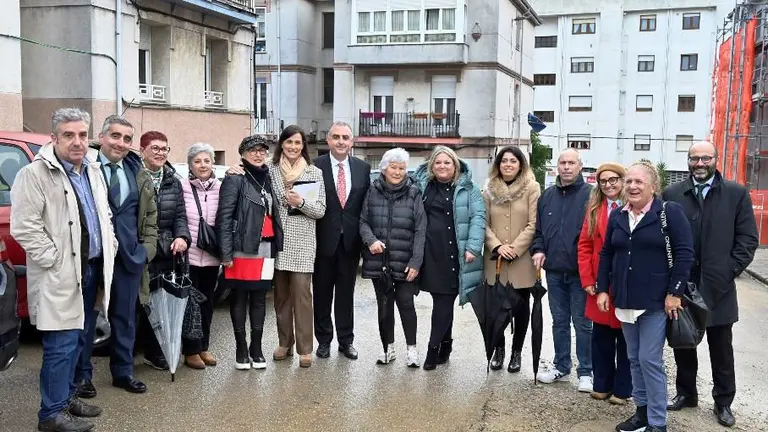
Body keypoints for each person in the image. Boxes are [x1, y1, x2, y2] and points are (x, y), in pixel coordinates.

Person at [11, 108, 117, 432]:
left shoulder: (92, 171)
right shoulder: (35, 174)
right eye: (69, 135)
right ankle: (51, 416)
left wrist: (108, 243)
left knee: (79, 340)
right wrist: (56, 260)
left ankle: (67, 398)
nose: (77, 142)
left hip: (91, 270)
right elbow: (24, 227)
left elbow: (104, 215)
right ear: (54, 137)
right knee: (60, 346)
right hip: (62, 274)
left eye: (83, 134)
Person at [663, 141, 758, 427]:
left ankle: (724, 402)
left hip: (719, 287)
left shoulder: (735, 193)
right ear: (688, 161)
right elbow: (665, 237)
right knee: (683, 342)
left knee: (721, 348)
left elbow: (747, 240)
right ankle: (686, 393)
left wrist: (728, 270)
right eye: (695, 158)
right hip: (683, 285)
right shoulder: (672, 194)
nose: (700, 163)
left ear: (716, 159)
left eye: (706, 158)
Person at [597, 161, 694, 432]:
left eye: (639, 182)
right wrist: (603, 288)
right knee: (634, 358)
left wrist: (675, 293)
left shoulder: (668, 212)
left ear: (653, 186)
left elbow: (685, 253)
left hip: (655, 300)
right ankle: (640, 413)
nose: (632, 186)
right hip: (625, 299)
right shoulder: (618, 215)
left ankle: (657, 422)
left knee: (650, 360)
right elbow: (607, 253)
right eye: (629, 181)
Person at [80, 115, 158, 395]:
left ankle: (123, 372)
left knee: (124, 318)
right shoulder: (84, 169)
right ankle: (82, 376)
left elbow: (150, 216)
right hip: (93, 255)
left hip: (129, 257)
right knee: (87, 318)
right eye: (115, 136)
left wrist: (146, 250)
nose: (121, 143)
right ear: (101, 138)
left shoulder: (137, 171)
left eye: (127, 138)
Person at [413, 145, 485, 370]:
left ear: (455, 165)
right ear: (432, 166)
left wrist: (473, 246)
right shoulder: (421, 186)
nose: (442, 166)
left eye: (447, 162)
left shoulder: (468, 188)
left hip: (456, 252)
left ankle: (432, 350)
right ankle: (445, 344)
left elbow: (478, 217)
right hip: (430, 253)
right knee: (441, 300)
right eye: (438, 162)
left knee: (444, 301)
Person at [217, 135, 284, 370]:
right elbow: (224, 218)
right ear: (243, 154)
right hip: (241, 248)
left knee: (259, 299)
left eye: (262, 150)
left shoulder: (269, 177)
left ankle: (257, 348)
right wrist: (225, 253)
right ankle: (241, 350)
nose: (258, 154)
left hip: (266, 247)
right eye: (253, 150)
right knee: (239, 298)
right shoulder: (235, 178)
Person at [530, 148, 593, 392]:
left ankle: (586, 372)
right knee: (559, 321)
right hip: (554, 271)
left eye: (571, 163)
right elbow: (539, 231)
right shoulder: (547, 196)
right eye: (562, 162)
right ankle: (561, 366)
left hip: (581, 274)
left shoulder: (591, 195)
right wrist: (538, 249)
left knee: (582, 323)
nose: (566, 167)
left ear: (580, 166)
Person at [360, 148, 426, 367]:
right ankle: (387, 347)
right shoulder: (372, 191)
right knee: (384, 305)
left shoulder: (414, 192)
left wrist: (416, 262)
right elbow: (363, 221)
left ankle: (412, 350)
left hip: (406, 260)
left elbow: (420, 229)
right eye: (393, 167)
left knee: (406, 303)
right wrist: (370, 240)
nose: (397, 172)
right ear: (384, 168)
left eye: (401, 168)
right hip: (380, 261)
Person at [268, 125, 326, 368]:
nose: (293, 147)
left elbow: (320, 210)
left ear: (304, 146)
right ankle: (285, 342)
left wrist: (301, 201)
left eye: (298, 143)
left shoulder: (314, 173)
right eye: (289, 142)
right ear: (281, 143)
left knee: (302, 296)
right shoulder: (269, 170)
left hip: (303, 242)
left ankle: (305, 348)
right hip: (277, 241)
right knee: (281, 297)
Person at [313, 122, 371, 361]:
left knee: (346, 296)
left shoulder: (363, 168)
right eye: (335, 137)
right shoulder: (314, 167)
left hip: (350, 243)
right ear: (328, 140)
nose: (340, 141)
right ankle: (324, 341)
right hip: (322, 242)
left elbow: (365, 206)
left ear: (352, 142)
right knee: (322, 294)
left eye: (345, 137)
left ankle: (346, 341)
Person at [577, 162, 631, 404]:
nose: (608, 185)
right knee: (600, 337)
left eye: (613, 180)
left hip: (626, 281)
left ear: (623, 180)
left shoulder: (635, 206)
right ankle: (601, 384)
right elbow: (585, 246)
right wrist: (588, 279)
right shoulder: (595, 209)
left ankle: (623, 389)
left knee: (626, 339)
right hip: (600, 283)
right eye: (603, 181)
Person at [482, 146, 540, 373]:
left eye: (513, 161)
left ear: (520, 165)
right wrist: (497, 245)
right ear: (498, 165)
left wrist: (515, 248)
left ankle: (517, 352)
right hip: (494, 258)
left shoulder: (532, 188)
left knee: (520, 308)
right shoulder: (488, 190)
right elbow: (483, 222)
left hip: (521, 258)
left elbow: (534, 223)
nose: (508, 164)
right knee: (495, 308)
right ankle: (499, 349)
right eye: (504, 161)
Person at [137, 131, 191, 370]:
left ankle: (155, 352)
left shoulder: (172, 180)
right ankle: (128, 355)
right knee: (138, 305)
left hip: (167, 251)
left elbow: (180, 215)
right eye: (155, 148)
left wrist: (182, 237)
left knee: (160, 303)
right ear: (143, 150)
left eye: (164, 149)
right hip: (140, 250)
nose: (160, 153)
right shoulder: (134, 176)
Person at [180, 142, 222, 369]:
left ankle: (204, 346)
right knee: (190, 304)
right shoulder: (182, 186)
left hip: (213, 256)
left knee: (208, 302)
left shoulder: (221, 187)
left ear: (213, 163)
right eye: (197, 161)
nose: (202, 165)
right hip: (190, 255)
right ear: (190, 165)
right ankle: (191, 351)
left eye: (206, 160)